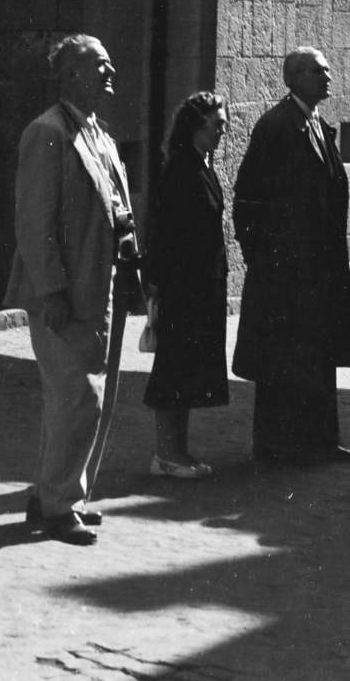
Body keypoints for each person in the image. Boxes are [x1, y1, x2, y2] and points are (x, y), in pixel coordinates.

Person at [4, 34, 138, 545]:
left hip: (98, 281)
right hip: (63, 291)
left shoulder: (97, 133)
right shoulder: (48, 133)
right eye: (98, 67)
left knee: (81, 396)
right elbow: (33, 222)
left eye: (110, 66)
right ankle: (60, 506)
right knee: (77, 395)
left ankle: (55, 496)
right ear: (70, 76)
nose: (110, 75)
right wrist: (52, 291)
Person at [231, 47, 350, 464]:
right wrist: (264, 259)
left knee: (318, 355)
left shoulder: (320, 127)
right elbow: (247, 199)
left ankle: (320, 440)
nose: (327, 77)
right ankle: (276, 445)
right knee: (283, 358)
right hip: (285, 270)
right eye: (316, 71)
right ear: (294, 79)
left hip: (319, 269)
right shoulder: (275, 126)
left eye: (327, 70)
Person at [143, 92, 230, 480]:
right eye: (217, 124)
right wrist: (158, 286)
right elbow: (163, 232)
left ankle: (179, 450)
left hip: (202, 284)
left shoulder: (201, 165)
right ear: (196, 125)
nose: (223, 130)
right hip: (183, 285)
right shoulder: (180, 168)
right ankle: (165, 453)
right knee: (173, 368)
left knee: (188, 369)